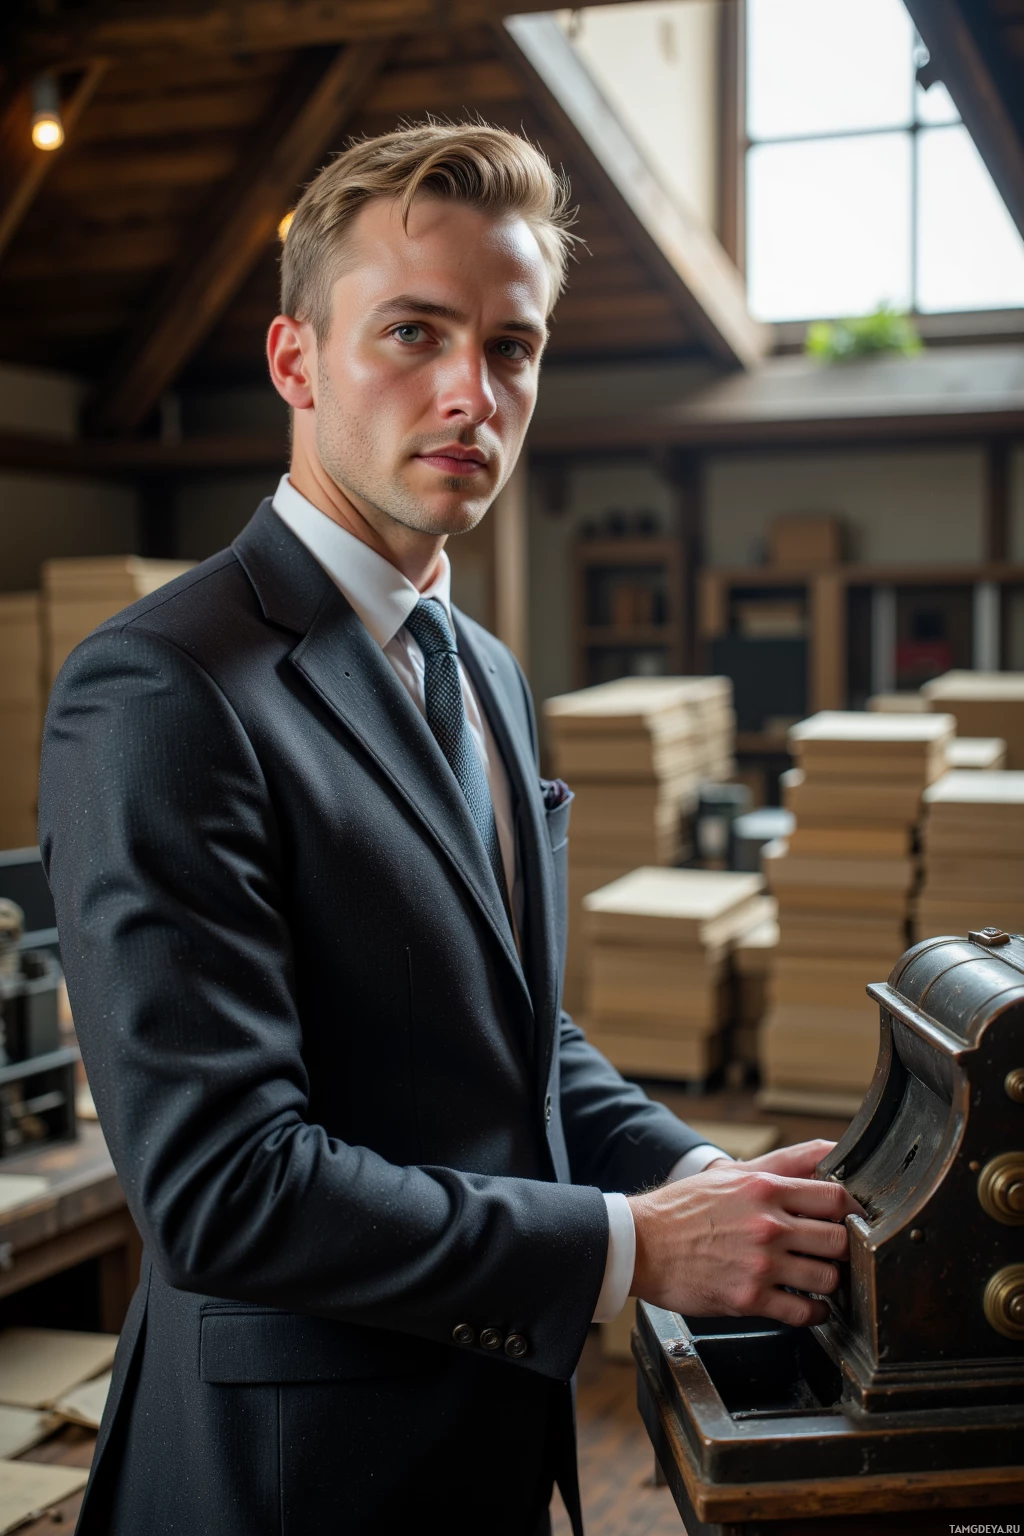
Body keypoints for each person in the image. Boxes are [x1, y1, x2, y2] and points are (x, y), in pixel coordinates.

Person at [40, 123, 858, 1536]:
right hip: (287, 1486)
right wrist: (629, 1249)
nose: (472, 392)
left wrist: (692, 1172)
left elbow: (511, 1043)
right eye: (413, 332)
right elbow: (223, 1187)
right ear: (296, 360)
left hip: (484, 1450)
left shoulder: (481, 668)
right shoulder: (161, 689)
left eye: (514, 347)